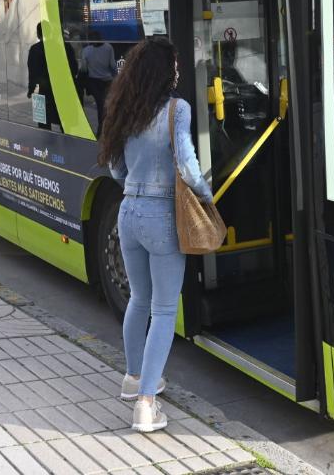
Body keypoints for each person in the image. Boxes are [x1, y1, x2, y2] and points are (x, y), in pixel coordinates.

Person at [96, 37, 213, 433]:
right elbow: (187, 162)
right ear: (166, 71)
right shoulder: (177, 110)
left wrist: (135, 186)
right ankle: (147, 404)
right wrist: (207, 195)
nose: (179, 70)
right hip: (162, 216)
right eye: (176, 64)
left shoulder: (126, 110)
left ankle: (134, 379)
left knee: (139, 299)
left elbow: (114, 168)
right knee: (164, 310)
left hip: (127, 212)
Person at [26, 23, 77, 131]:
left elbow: (32, 71)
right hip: (61, 88)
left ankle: (47, 145)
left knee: (43, 122)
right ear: (50, 32)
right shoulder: (62, 47)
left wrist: (31, 89)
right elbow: (73, 67)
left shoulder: (35, 49)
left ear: (38, 34)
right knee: (63, 119)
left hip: (43, 90)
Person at [79, 30, 118, 136]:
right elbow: (112, 65)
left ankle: (101, 131)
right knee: (106, 105)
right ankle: (107, 130)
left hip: (94, 82)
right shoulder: (108, 47)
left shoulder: (86, 51)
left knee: (101, 106)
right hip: (107, 81)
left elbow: (83, 68)